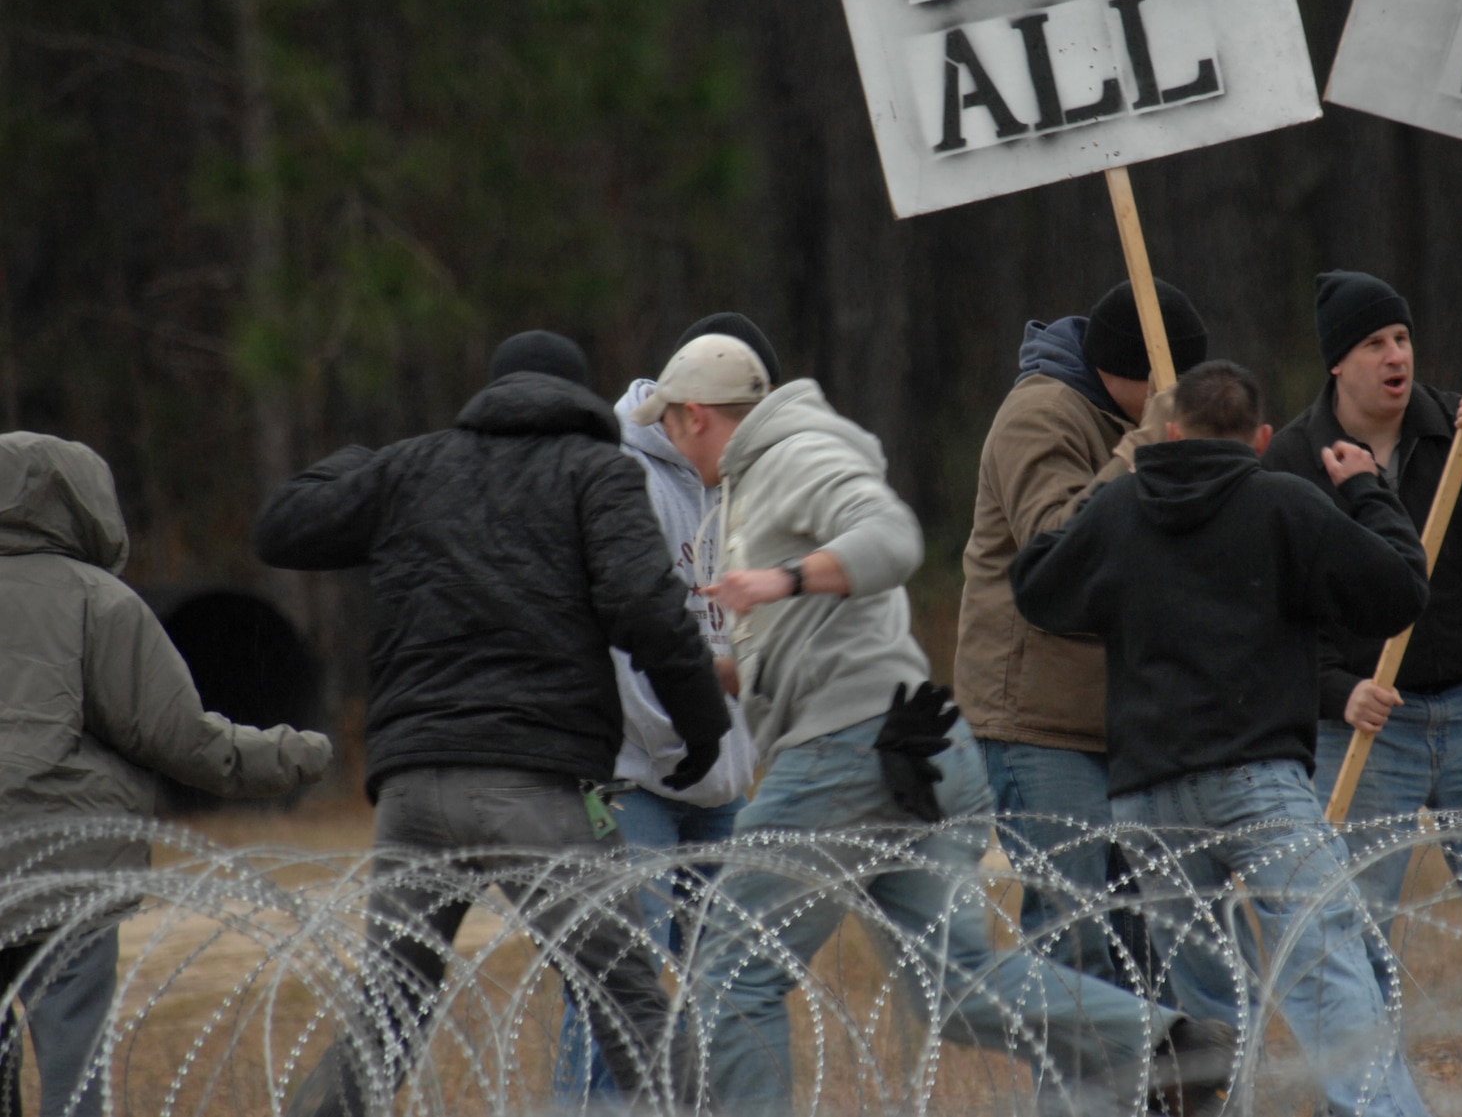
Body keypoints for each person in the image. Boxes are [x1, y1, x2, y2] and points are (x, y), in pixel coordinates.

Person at [654, 333, 1234, 1117]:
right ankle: (1172, 1041)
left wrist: (782, 577)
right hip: (909, 749)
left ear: (693, 416)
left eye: (667, 425)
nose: (667, 443)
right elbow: (781, 653)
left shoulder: (792, 454)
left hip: (846, 749)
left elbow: (892, 536)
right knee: (959, 990)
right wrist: (687, 654)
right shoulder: (749, 488)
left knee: (732, 964)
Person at [253, 329, 731, 1114]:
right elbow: (647, 606)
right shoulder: (597, 471)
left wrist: (359, 460)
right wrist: (702, 725)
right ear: (582, 399)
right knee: (631, 1003)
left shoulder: (416, 466)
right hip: (536, 784)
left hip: (413, 788)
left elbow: (282, 525)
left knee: (390, 1013)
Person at [1010, 359, 1436, 1117]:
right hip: (1259, 776)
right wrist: (1366, 490)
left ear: (1169, 432)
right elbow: (1400, 588)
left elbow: (1037, 585)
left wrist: (1117, 490)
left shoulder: (1120, 510)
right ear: (1263, 438)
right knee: (1324, 964)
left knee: (1204, 999)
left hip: (1150, 792)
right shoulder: (1283, 502)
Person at [1263, 271, 1462, 1115]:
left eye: (1401, 338)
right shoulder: (1295, 460)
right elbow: (1265, 616)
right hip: (1369, 726)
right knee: (1356, 934)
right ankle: (1368, 1101)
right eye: (1374, 343)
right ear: (1339, 363)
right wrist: (1337, 690)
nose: (1395, 356)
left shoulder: (1458, 426)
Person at [0, 431, 332, 1117]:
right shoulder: (100, 602)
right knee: (72, 1069)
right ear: (83, 501)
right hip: (72, 872)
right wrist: (299, 754)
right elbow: (182, 737)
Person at [955, 279, 1204, 987]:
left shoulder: (1129, 419)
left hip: (1122, 718)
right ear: (1147, 371)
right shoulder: (1039, 413)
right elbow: (1059, 548)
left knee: (1143, 935)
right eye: (1175, 377)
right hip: (1037, 721)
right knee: (1079, 939)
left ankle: (1148, 1094)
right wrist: (1145, 447)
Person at [552, 313, 774, 1102]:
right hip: (632, 782)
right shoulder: (620, 476)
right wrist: (696, 733)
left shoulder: (746, 486)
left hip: (720, 791)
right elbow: (623, 643)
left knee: (730, 999)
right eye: (750, 431)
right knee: (617, 1001)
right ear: (698, 416)